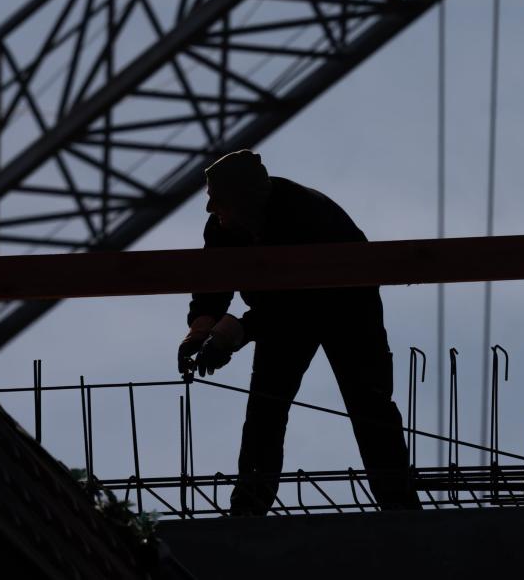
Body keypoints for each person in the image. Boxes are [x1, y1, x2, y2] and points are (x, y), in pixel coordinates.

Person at [178, 149, 422, 515]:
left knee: (368, 402)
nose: (209, 208)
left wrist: (237, 331)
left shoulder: (303, 215)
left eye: (217, 199)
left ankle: (398, 503)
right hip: (278, 309)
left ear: (243, 198)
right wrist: (200, 330)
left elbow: (301, 303)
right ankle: (249, 506)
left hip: (347, 304)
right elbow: (215, 283)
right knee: (265, 407)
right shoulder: (223, 228)